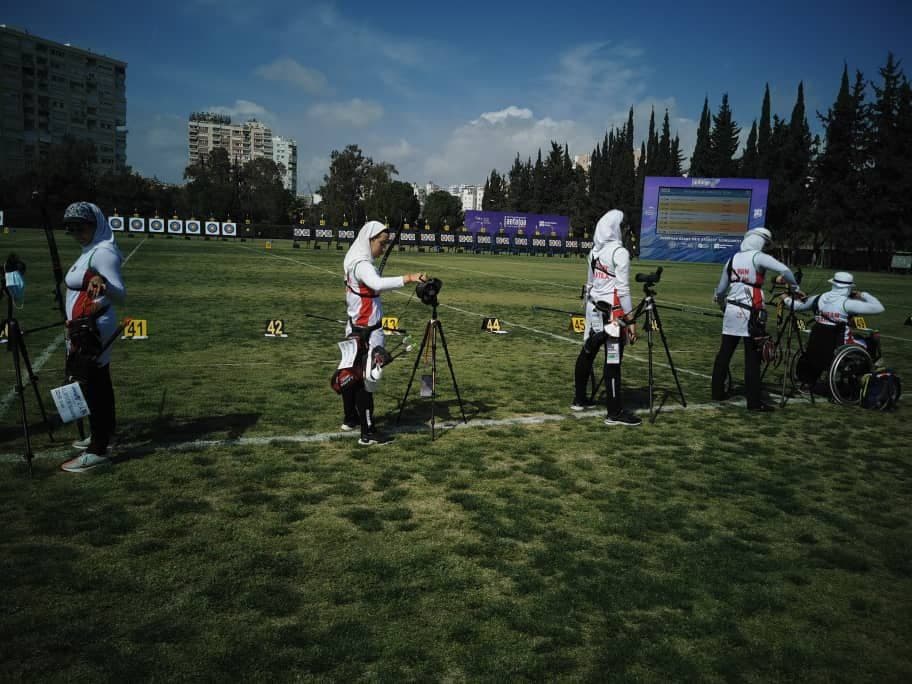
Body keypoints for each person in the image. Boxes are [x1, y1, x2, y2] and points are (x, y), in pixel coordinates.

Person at [338, 220, 425, 446]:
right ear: (369, 240)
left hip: (355, 328)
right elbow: (376, 282)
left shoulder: (354, 258)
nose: (383, 248)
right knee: (367, 381)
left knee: (352, 375)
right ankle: (368, 433)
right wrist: (409, 278)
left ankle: (350, 419)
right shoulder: (362, 264)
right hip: (367, 333)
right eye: (382, 243)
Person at [59, 202, 126, 472]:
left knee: (93, 384)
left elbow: (120, 294)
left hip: (94, 329)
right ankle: (104, 433)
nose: (78, 232)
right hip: (84, 326)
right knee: (99, 380)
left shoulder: (103, 253)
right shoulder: (90, 250)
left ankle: (98, 448)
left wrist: (104, 284)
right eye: (72, 228)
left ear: (96, 224)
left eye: (82, 226)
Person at [711, 227, 798, 411]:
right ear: (760, 242)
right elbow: (785, 270)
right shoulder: (758, 257)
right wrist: (796, 288)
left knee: (724, 353)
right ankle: (754, 402)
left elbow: (720, 290)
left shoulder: (732, 259)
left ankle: (717, 392)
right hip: (751, 313)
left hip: (732, 310)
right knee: (753, 358)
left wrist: (721, 302)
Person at [571, 209, 640, 426]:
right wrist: (630, 321)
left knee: (588, 353)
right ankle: (614, 413)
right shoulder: (619, 253)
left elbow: (589, 284)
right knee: (613, 362)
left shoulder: (594, 252)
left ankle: (579, 399)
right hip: (613, 317)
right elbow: (624, 289)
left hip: (594, 311)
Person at [783, 271, 885, 390]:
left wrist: (786, 298)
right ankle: (865, 376)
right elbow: (879, 308)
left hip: (817, 344)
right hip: (840, 346)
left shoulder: (818, 298)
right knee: (872, 339)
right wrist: (862, 295)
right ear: (848, 288)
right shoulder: (848, 304)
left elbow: (797, 307)